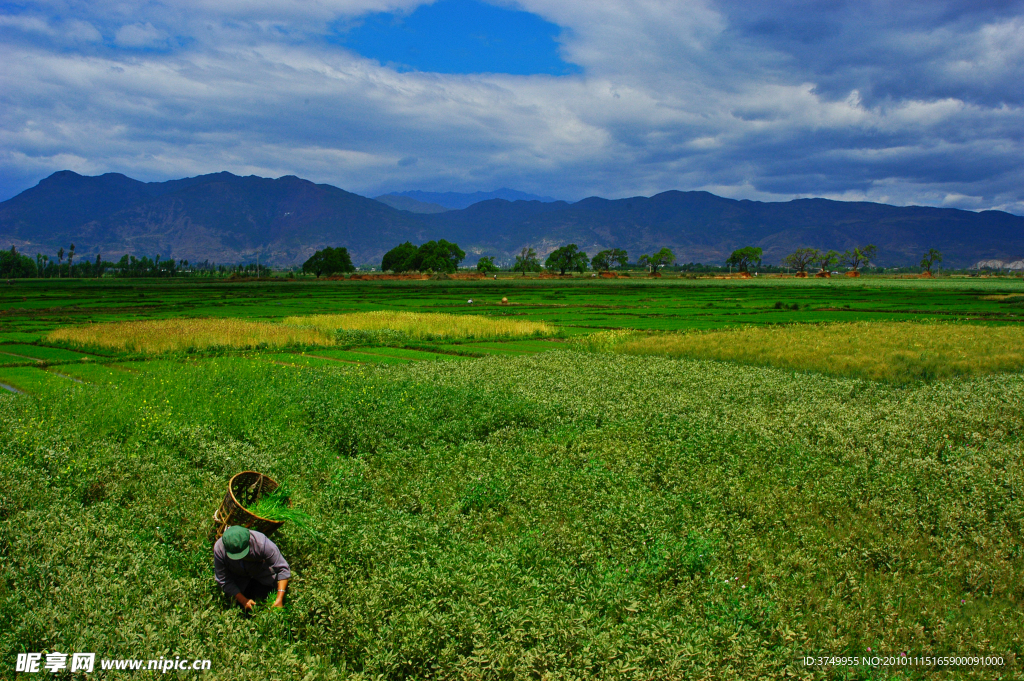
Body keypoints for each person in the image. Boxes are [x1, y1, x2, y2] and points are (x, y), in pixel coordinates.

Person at [213, 525, 291, 612]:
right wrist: (243, 601)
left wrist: (279, 598)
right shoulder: (219, 549)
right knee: (237, 605)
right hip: (239, 578)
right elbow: (223, 580)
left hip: (261, 573)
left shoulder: (261, 543)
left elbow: (283, 569)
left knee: (268, 591)